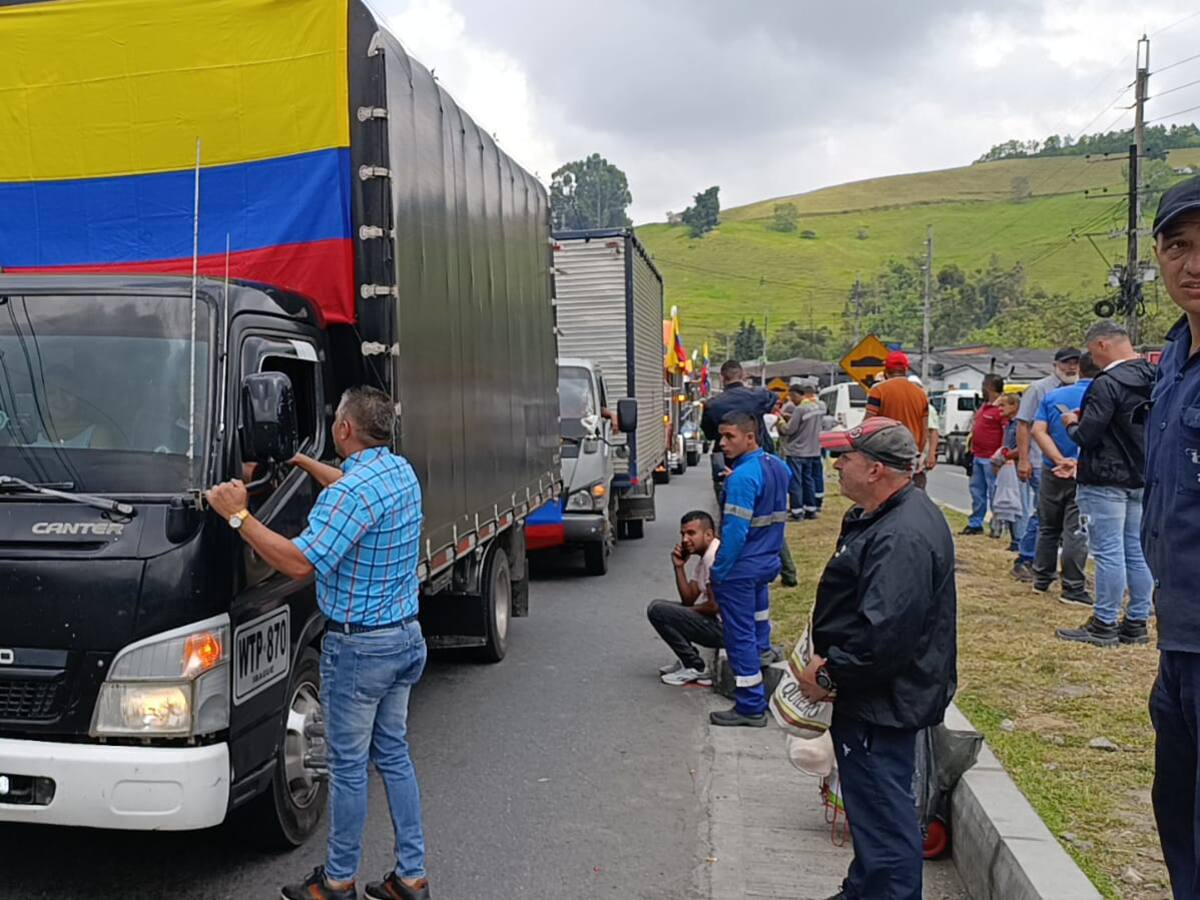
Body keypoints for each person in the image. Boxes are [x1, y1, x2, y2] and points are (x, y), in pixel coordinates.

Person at [206, 386, 430, 900]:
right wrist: (303, 460)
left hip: (359, 651)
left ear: (345, 429)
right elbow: (350, 487)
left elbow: (298, 562)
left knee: (348, 771)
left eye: (336, 419)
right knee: (393, 756)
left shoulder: (350, 496)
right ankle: (410, 876)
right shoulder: (398, 473)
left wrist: (238, 515)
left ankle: (337, 881)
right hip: (403, 640)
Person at [801, 417, 957, 900]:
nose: (836, 466)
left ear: (874, 470)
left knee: (884, 822)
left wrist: (829, 674)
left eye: (845, 457)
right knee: (870, 814)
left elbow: (885, 635)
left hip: (881, 700)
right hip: (876, 695)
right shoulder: (885, 516)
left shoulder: (902, 535)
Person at [1143, 176, 1200, 898]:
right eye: (1178, 244)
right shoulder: (1173, 365)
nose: (1193, 264)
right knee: (1179, 824)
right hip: (1179, 642)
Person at [1054, 320, 1154, 647]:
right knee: (1136, 551)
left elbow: (1088, 434)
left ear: (1101, 346)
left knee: (1108, 552)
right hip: (1141, 475)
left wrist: (1071, 423)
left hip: (1105, 476)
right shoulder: (1156, 377)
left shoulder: (1106, 383)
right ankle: (1137, 621)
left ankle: (1104, 622)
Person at [708, 410, 789, 727]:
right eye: (721, 436)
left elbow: (735, 533)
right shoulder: (777, 467)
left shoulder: (741, 478)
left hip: (741, 568)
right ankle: (763, 655)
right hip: (767, 561)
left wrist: (719, 570)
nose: (722, 443)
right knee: (758, 623)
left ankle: (750, 705)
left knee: (738, 636)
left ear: (750, 436)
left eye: (730, 436)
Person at [701, 360, 798, 589]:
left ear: (723, 378)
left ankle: (730, 568)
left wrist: (720, 572)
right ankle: (788, 571)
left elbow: (707, 433)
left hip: (728, 464)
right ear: (742, 375)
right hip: (762, 457)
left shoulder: (713, 404)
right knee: (769, 515)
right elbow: (775, 402)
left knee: (734, 518)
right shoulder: (758, 395)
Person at [1030, 352, 1096, 607]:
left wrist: (1058, 460)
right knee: (1075, 530)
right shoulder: (1102, 396)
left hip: (1052, 470)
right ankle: (1073, 587)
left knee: (1048, 527)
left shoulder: (1053, 396)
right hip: (1084, 472)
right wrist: (1074, 463)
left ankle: (1042, 578)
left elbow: (1038, 430)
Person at [1012, 347, 1081, 581]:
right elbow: (1024, 425)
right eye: (1066, 363)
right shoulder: (1040, 389)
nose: (1071, 367)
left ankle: (1059, 569)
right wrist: (1023, 459)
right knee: (1044, 516)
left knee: (1069, 521)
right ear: (1055, 364)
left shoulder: (1083, 389)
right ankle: (1026, 558)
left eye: (1075, 362)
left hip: (1075, 466)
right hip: (1041, 462)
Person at [648, 510, 723, 686]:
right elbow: (689, 598)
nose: (684, 540)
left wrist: (684, 613)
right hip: (717, 624)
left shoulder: (713, 557)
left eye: (691, 533)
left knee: (658, 610)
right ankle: (687, 660)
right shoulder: (705, 557)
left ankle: (694, 666)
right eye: (683, 534)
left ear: (708, 534)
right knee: (663, 609)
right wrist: (679, 567)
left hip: (727, 631)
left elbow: (715, 606)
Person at [864, 351, 934, 489]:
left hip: (884, 454)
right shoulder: (921, 395)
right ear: (906, 370)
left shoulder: (878, 391)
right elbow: (924, 429)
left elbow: (868, 425)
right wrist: (918, 453)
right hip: (910, 455)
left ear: (886, 370)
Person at [962, 374, 1006, 536]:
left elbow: (1005, 432)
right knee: (977, 492)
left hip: (992, 458)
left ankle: (996, 526)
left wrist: (1001, 454)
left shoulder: (1000, 408)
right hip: (978, 455)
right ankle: (976, 523)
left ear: (990, 387)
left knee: (994, 493)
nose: (982, 389)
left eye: (984, 385)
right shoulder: (984, 407)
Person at [777, 381, 825, 520]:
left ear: (795, 395)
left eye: (792, 397)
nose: (791, 400)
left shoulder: (800, 409)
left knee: (796, 482)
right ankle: (811, 509)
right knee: (808, 480)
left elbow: (789, 430)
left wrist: (780, 421)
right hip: (812, 450)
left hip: (797, 451)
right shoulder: (817, 406)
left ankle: (797, 511)